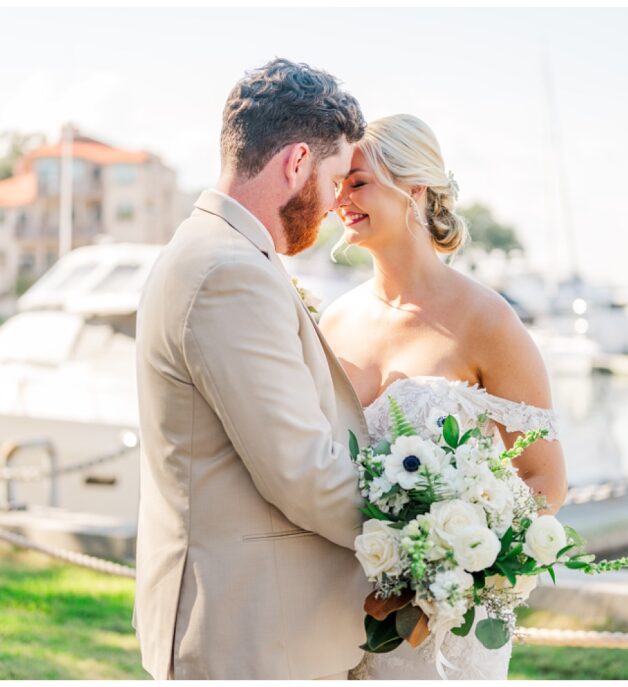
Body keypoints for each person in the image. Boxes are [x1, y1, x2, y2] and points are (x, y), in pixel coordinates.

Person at [132, 58, 372, 680]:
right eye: (336, 177)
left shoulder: (209, 248)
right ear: (296, 163)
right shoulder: (229, 271)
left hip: (241, 618)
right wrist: (423, 539)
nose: (337, 201)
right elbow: (303, 473)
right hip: (250, 632)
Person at [320, 113, 569, 680]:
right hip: (339, 611)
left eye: (356, 182)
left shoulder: (488, 321)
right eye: (335, 186)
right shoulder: (334, 322)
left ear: (415, 188)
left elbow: (544, 479)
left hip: (449, 628)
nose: (340, 200)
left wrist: (451, 572)